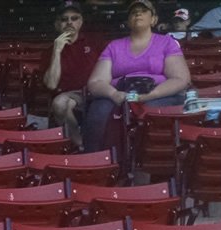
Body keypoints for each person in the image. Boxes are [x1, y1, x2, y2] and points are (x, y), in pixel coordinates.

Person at [82, 1, 192, 153]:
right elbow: (95, 82)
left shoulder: (167, 42)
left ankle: (146, 164)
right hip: (119, 93)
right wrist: (114, 94)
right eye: (133, 12)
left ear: (154, 19)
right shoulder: (113, 46)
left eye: (143, 11)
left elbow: (180, 79)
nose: (138, 14)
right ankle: (96, 162)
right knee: (98, 112)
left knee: (150, 113)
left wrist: (150, 95)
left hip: (157, 93)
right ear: (128, 21)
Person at [42, 5, 108, 145]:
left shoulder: (95, 43)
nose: (69, 22)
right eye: (64, 19)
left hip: (94, 92)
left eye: (74, 18)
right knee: (60, 104)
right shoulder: (49, 51)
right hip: (69, 94)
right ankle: (80, 145)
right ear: (57, 24)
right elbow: (51, 84)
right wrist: (57, 51)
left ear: (81, 22)